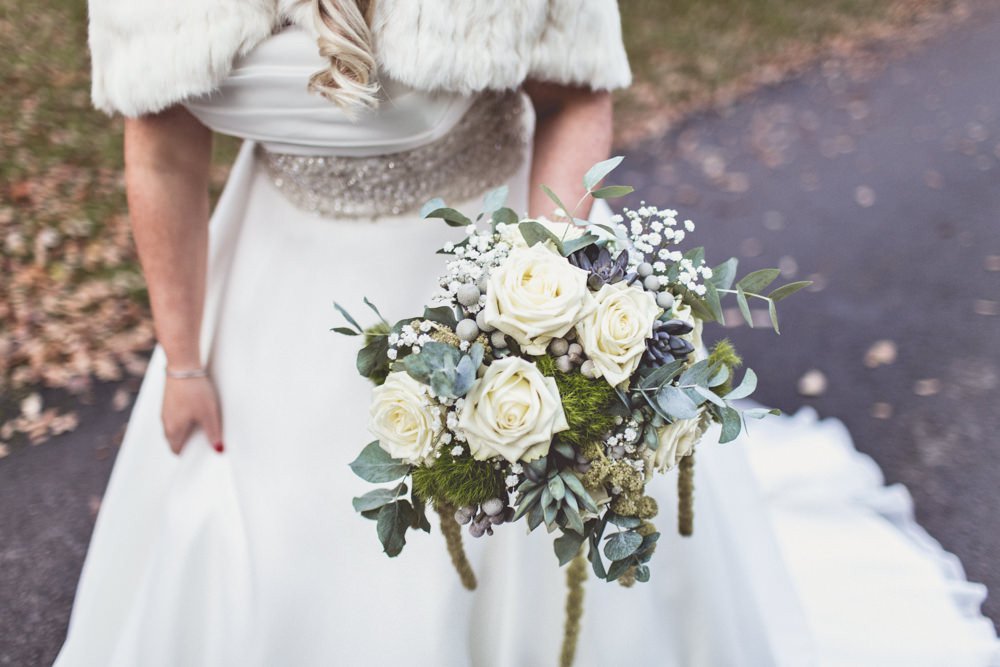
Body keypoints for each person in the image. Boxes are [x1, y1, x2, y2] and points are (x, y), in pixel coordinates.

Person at [57, 1, 999, 665]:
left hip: (484, 249)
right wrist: (183, 359)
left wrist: (538, 285)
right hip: (278, 285)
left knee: (528, 540)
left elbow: (579, 93)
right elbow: (162, 150)